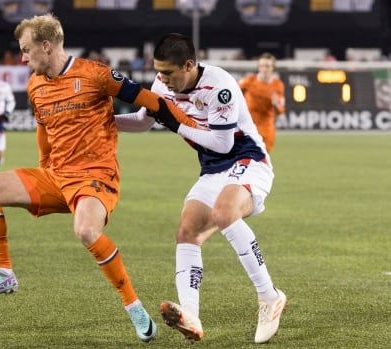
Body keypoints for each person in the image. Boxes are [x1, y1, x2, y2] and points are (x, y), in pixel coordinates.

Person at [0, 15, 197, 343]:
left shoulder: (94, 74)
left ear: (47, 46)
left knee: (86, 230)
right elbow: (43, 128)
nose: (23, 58)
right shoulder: (35, 85)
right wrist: (43, 166)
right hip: (55, 176)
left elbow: (149, 100)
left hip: (95, 177)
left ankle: (134, 308)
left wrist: (192, 127)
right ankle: (3, 272)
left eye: (27, 50)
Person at [114, 33, 286, 344]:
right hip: (213, 169)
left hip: (247, 159)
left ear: (189, 65)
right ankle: (190, 315)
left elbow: (222, 143)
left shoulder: (219, 86)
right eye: (159, 71)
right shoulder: (162, 83)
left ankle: (269, 296)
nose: (162, 79)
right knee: (187, 230)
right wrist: (104, 121)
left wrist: (174, 121)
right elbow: (143, 121)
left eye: (168, 73)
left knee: (224, 212)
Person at [239, 53, 285, 152]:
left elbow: (280, 109)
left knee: (261, 159)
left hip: (266, 128)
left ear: (273, 68)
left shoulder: (277, 85)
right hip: (247, 125)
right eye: (262, 66)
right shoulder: (250, 80)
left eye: (267, 66)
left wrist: (276, 103)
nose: (264, 69)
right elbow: (233, 91)